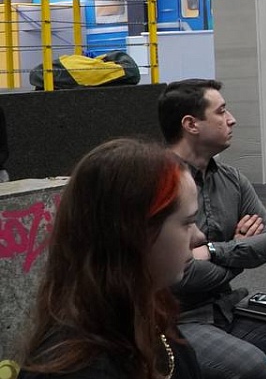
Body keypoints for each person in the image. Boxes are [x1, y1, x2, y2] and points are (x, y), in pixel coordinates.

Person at [158, 79, 266, 379]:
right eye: (221, 111)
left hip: (226, 305)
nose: (232, 119)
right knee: (253, 367)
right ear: (191, 124)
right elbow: (182, 277)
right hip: (176, 319)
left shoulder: (232, 179)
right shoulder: (158, 184)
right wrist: (240, 254)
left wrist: (213, 251)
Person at [19, 139, 205, 379]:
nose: (199, 236)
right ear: (135, 234)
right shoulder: (80, 370)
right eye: (188, 222)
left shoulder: (145, 319)